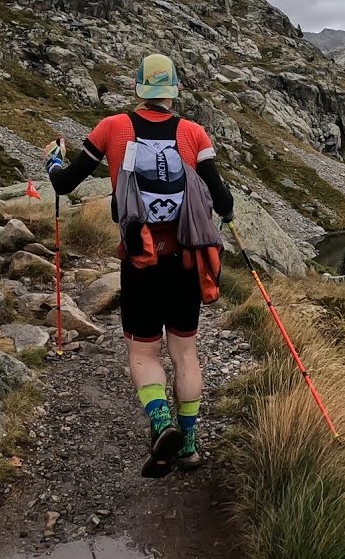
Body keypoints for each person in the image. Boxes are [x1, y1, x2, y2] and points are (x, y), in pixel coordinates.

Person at [46, 53, 235, 478]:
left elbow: (64, 183)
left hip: (140, 261)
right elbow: (222, 201)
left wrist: (52, 160)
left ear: (138, 89)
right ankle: (187, 445)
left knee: (144, 351)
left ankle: (161, 420)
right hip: (186, 261)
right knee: (185, 351)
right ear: (174, 90)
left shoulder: (112, 128)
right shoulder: (194, 134)